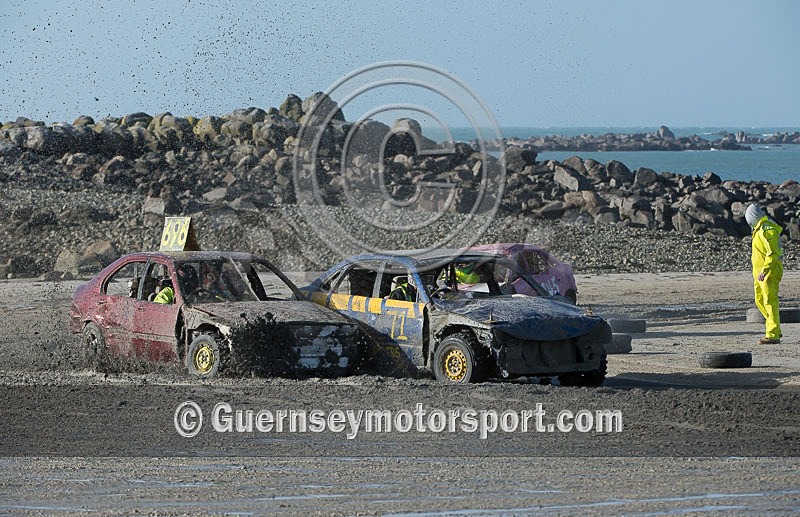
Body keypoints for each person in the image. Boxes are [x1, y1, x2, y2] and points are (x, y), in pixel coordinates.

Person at [745, 203, 784, 344]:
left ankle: (773, 333)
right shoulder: (758, 229)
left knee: (769, 301)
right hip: (759, 274)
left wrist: (765, 270)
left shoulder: (766, 230)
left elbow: (772, 253)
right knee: (760, 300)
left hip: (769, 272)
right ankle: (774, 328)